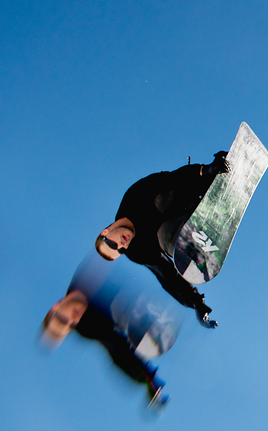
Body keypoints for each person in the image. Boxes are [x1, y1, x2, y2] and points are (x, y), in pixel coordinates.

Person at [95, 151, 229, 329]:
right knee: (163, 237)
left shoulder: (133, 198)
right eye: (120, 250)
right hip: (184, 226)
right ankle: (195, 242)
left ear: (106, 231)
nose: (122, 245)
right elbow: (167, 275)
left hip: (191, 193)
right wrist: (195, 302)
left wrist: (206, 171)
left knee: (160, 201)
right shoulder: (137, 252)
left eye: (113, 244)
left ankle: (206, 193)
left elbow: (172, 178)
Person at [41, 253, 176, 410]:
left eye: (64, 319)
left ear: (56, 306)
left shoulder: (85, 278)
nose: (73, 319)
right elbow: (117, 350)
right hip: (139, 304)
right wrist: (147, 379)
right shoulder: (87, 326)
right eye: (71, 325)